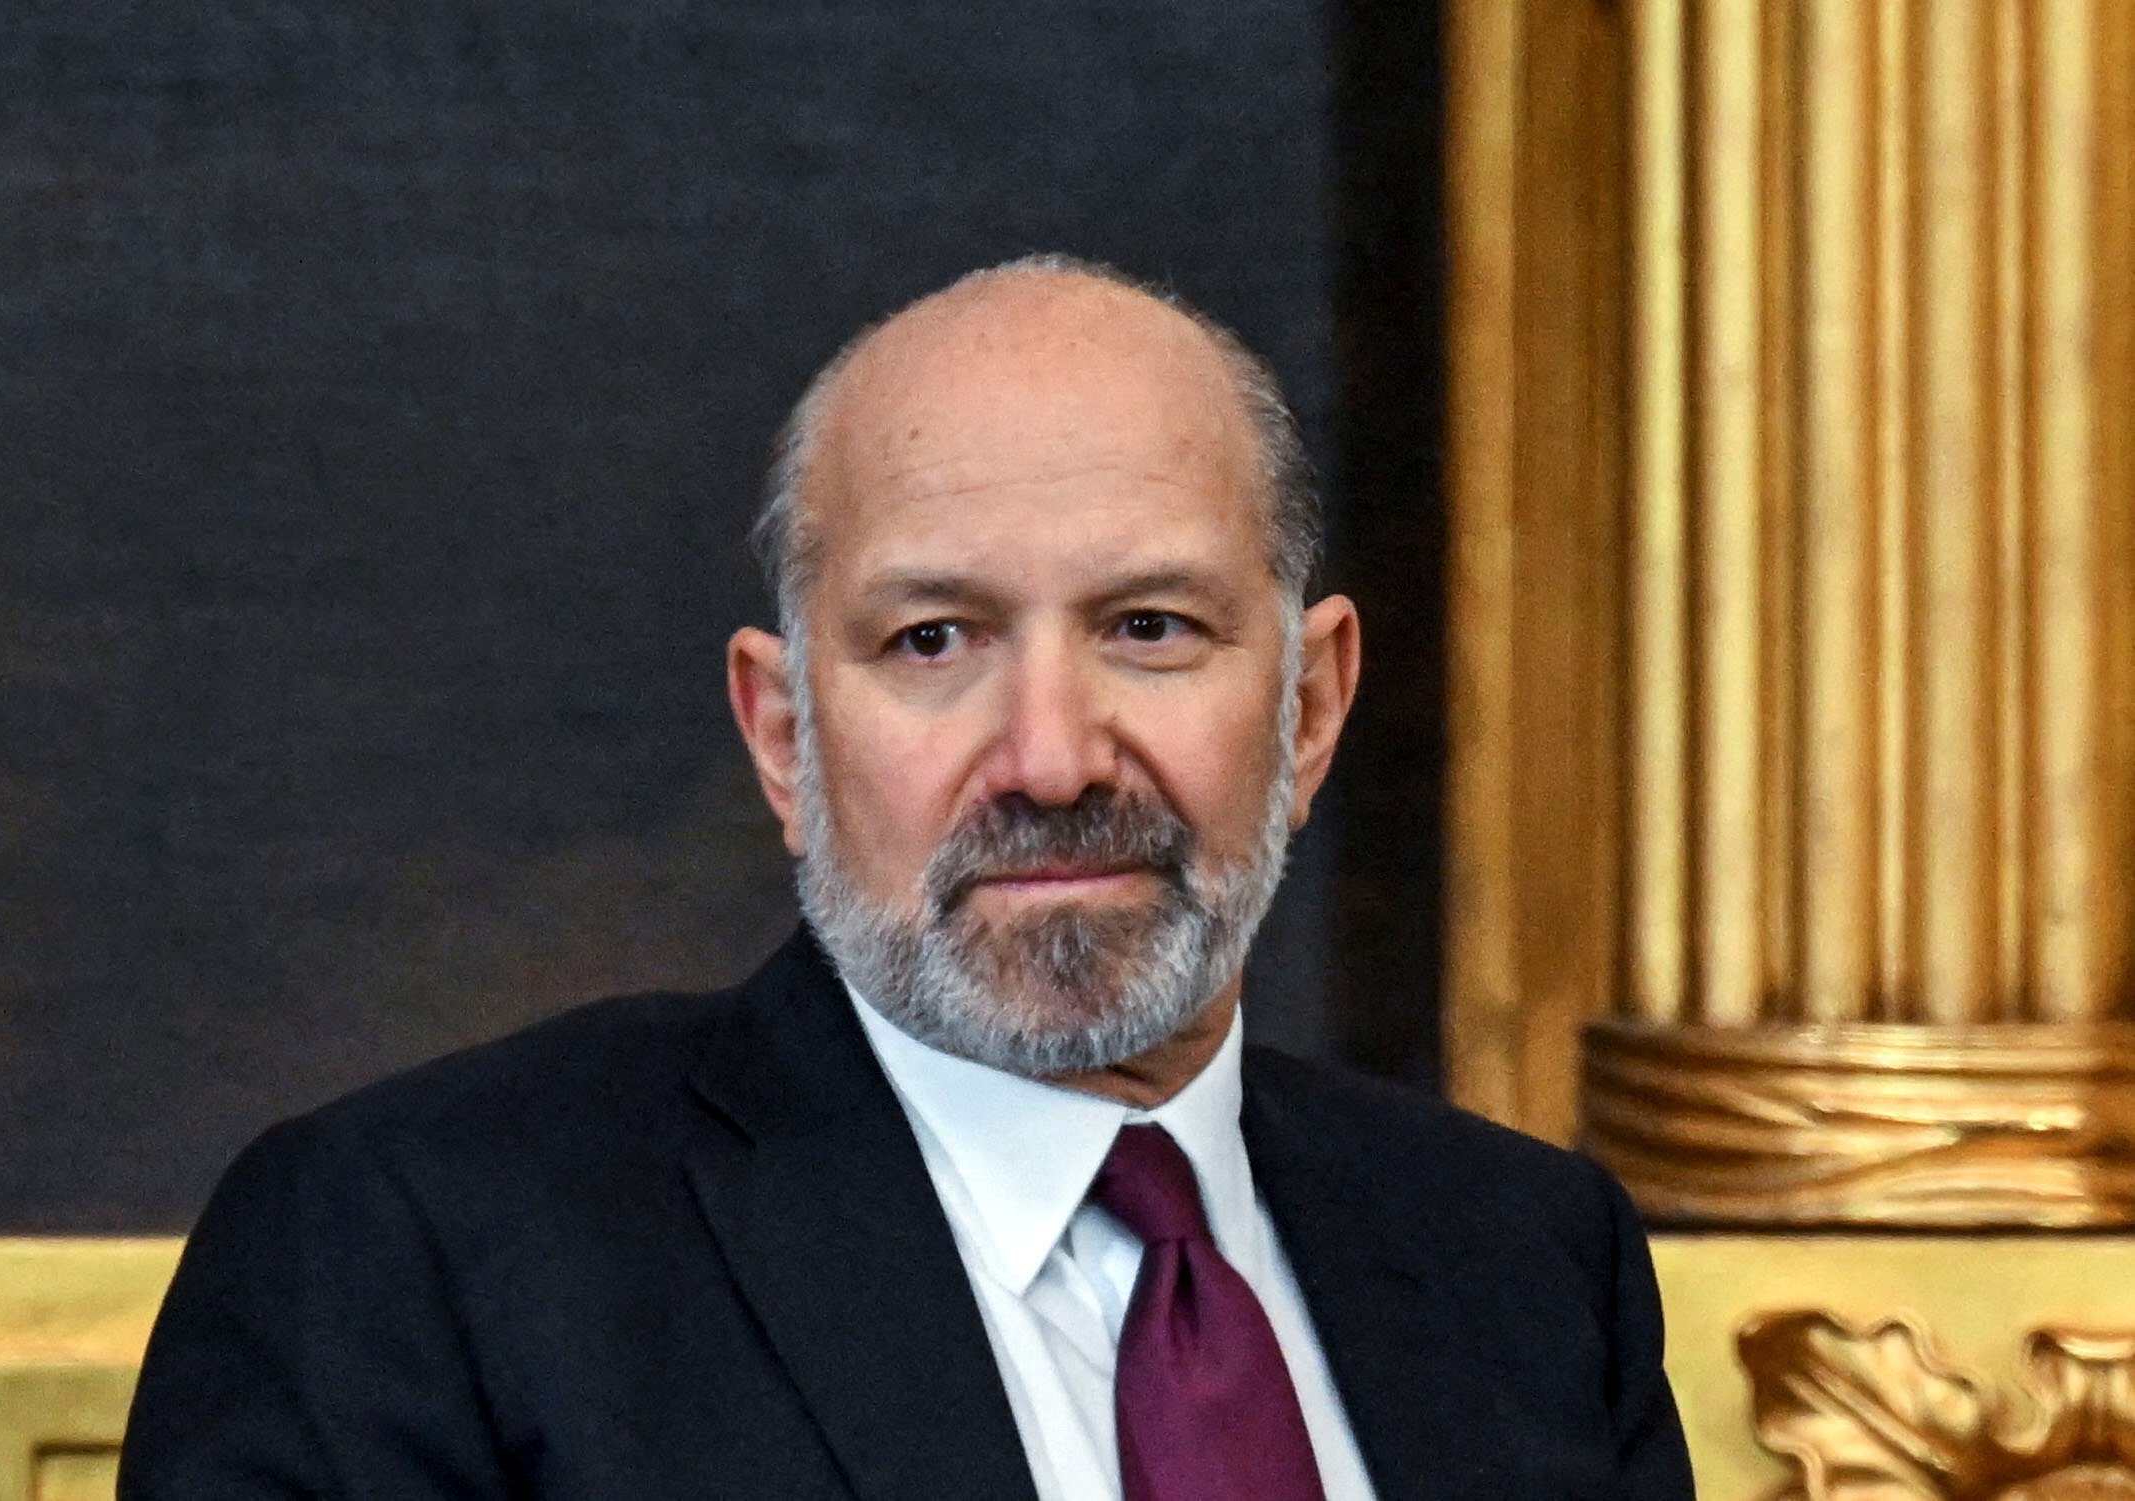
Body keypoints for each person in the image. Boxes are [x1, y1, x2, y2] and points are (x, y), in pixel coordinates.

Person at [119, 256, 1694, 1500]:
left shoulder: (1530, 1262)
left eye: (1150, 627)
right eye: (932, 639)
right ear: (784, 736)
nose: (1052, 757)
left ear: (1312, 704)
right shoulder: (412, 1252)